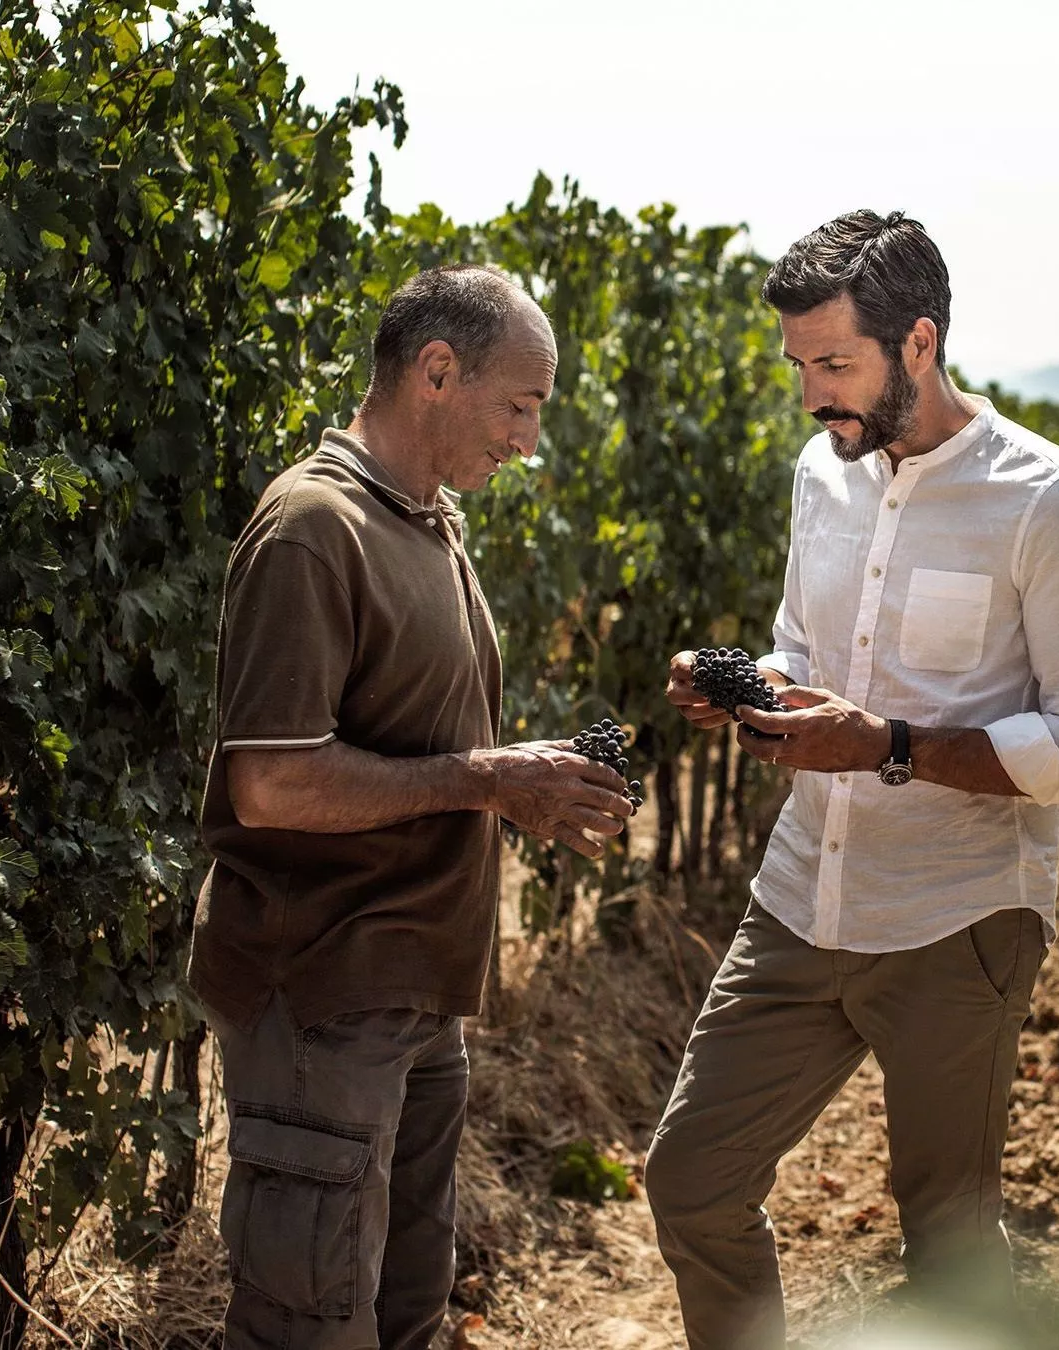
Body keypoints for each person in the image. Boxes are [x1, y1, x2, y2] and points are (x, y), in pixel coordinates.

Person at [644, 210, 1059, 1348]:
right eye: (800, 366)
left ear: (918, 343)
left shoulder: (1054, 505)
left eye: (835, 364)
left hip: (958, 919)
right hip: (801, 897)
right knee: (693, 1183)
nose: (813, 395)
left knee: (950, 1241)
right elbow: (804, 654)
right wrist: (743, 683)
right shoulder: (826, 473)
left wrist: (887, 746)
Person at [188, 265, 635, 1350]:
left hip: (415, 1003)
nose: (528, 441)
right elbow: (272, 782)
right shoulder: (313, 529)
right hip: (325, 999)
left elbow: (419, 736)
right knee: (309, 1325)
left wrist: (525, 782)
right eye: (519, 406)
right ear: (437, 372)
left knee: (402, 1317)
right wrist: (487, 780)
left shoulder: (427, 520)